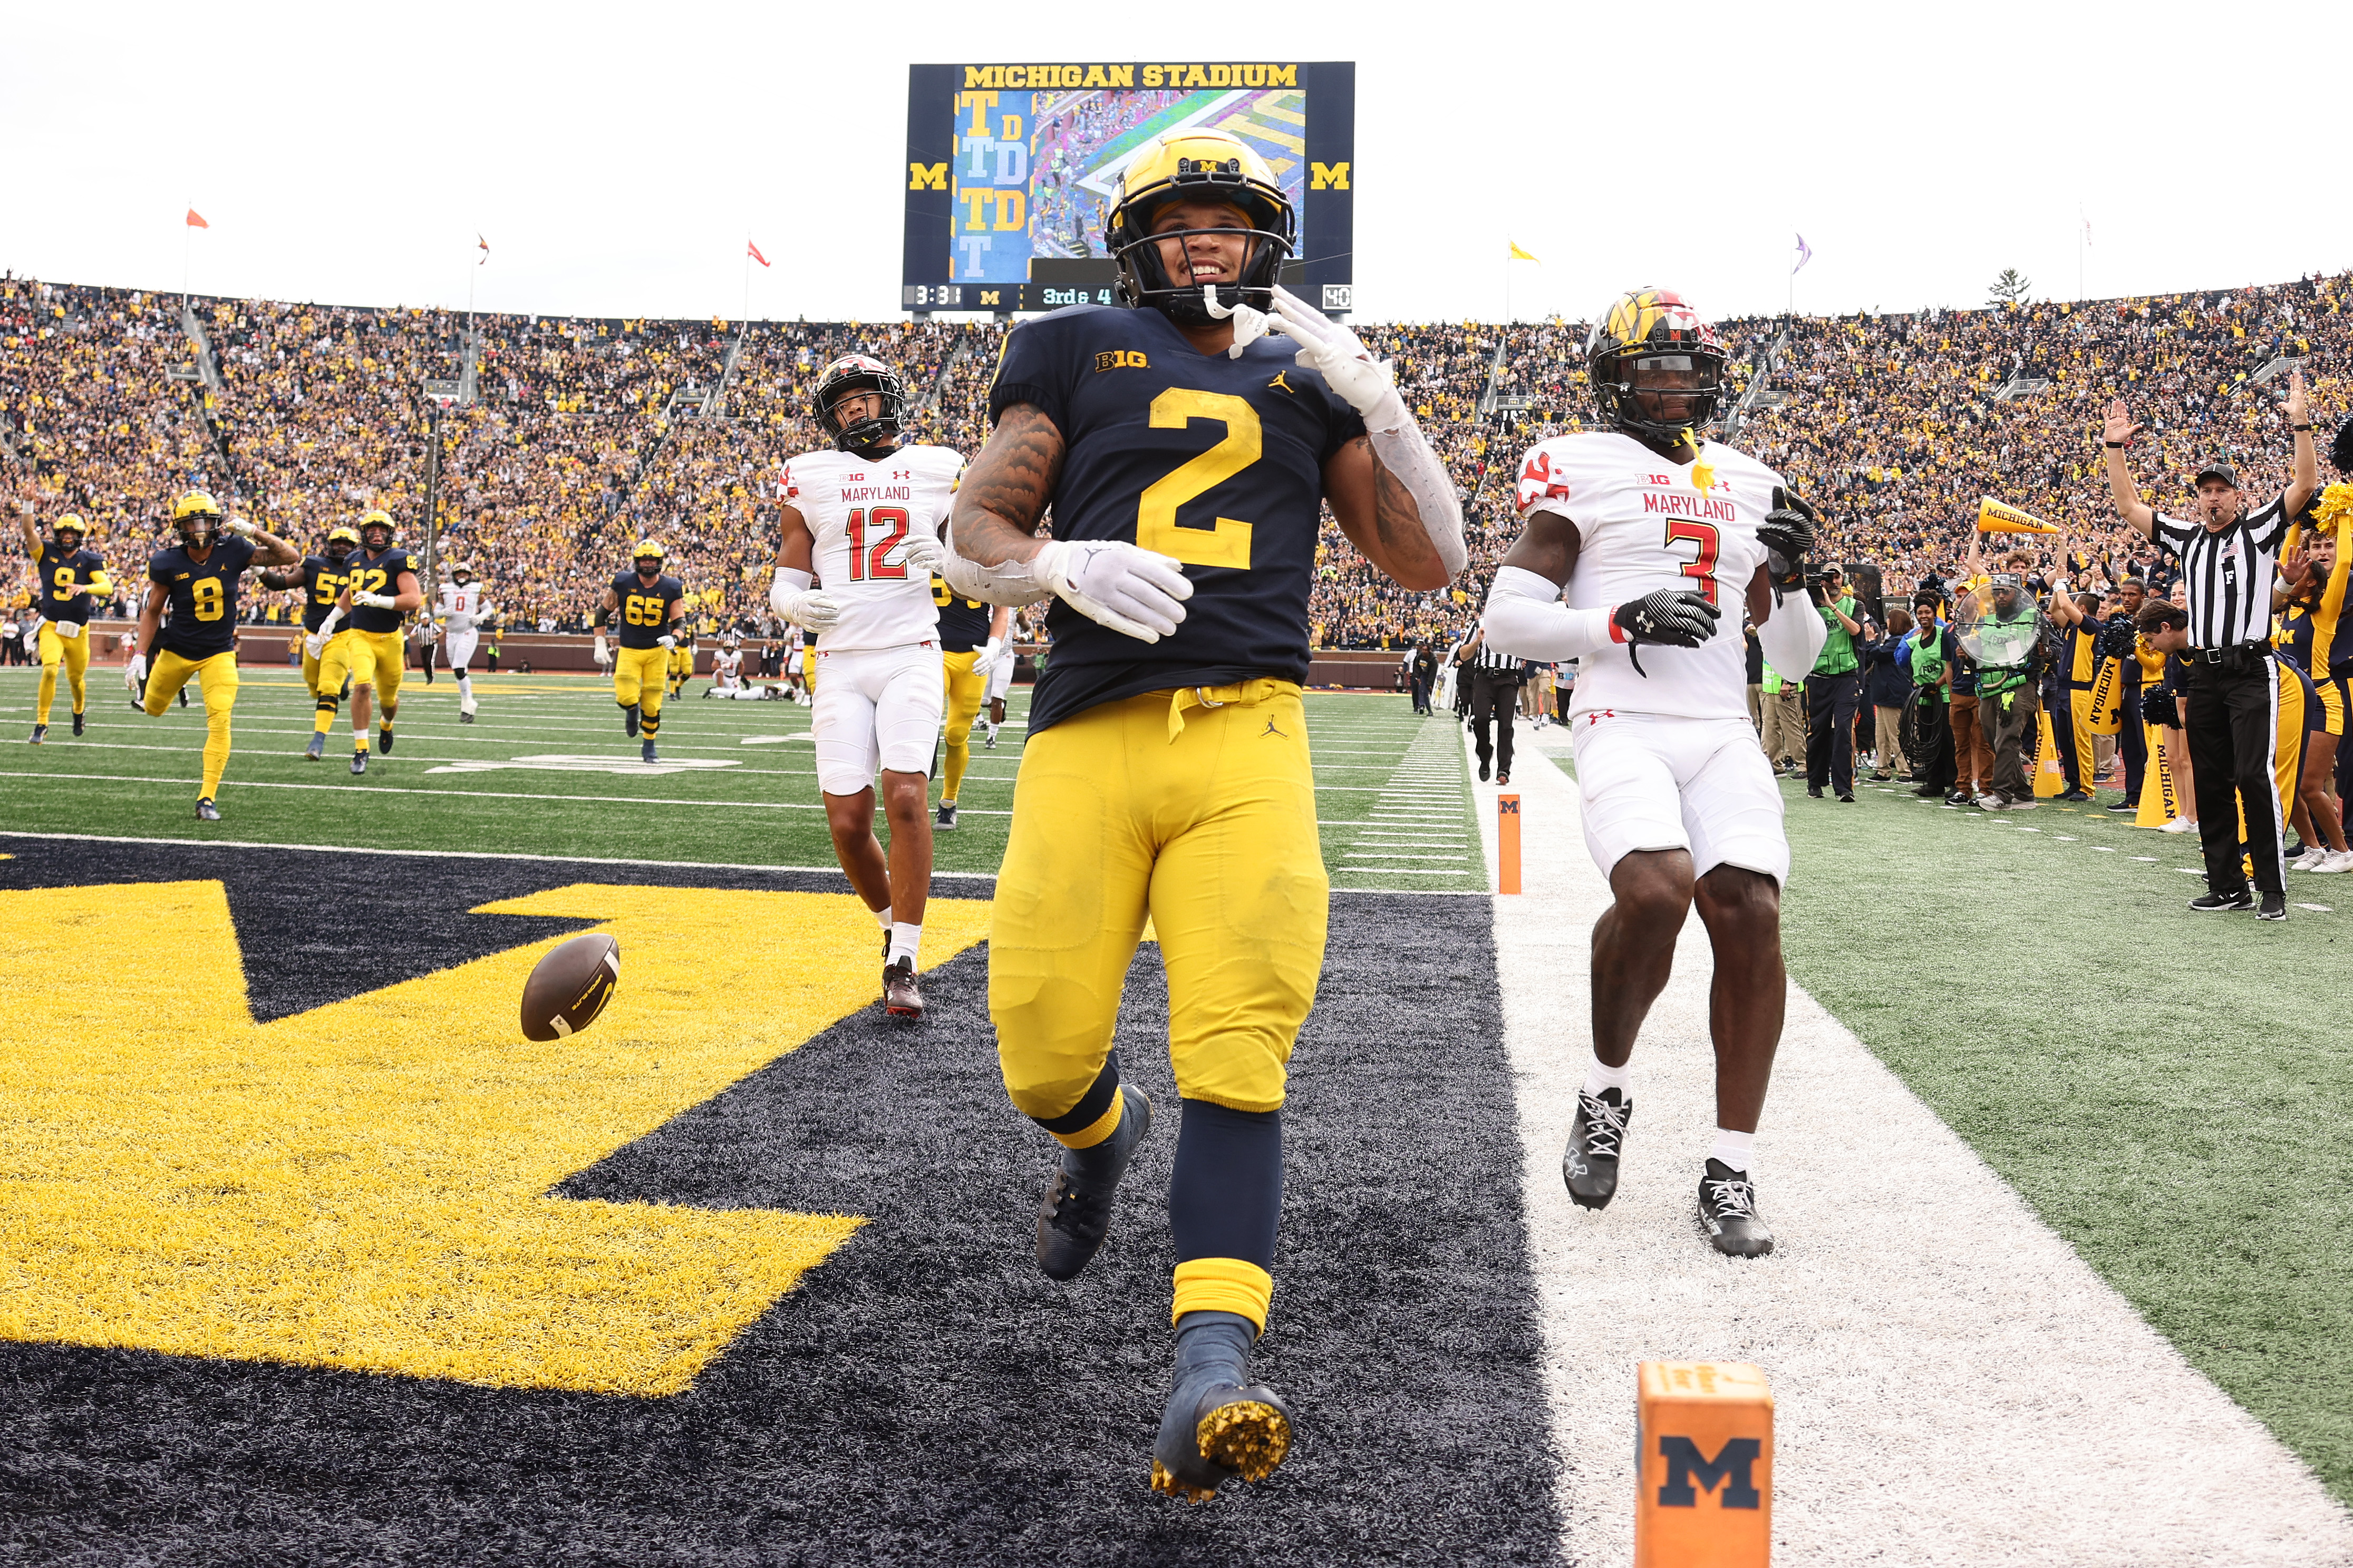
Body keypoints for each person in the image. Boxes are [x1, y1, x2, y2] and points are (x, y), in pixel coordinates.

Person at [936, 128, 1464, 1503]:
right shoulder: (1068, 346)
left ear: (1266, 238)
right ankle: (1096, 1143)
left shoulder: (1308, 367)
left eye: (1227, 221)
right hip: (1087, 736)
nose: (1205, 241)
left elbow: (1422, 561)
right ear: (1135, 240)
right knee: (1041, 1058)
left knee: (1238, 1046)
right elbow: (973, 524)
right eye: (1178, 221)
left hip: (1247, 734)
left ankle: (1211, 1361)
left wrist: (1384, 407)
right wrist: (1053, 561)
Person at [1482, 285, 1829, 1267]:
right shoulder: (1580, 466)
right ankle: (1603, 1088)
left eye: (1689, 372)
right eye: (1654, 370)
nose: (1674, 389)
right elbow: (1503, 621)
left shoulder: (1752, 481)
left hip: (1719, 722)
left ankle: (1729, 1166)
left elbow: (1795, 661)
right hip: (1621, 713)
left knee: (1750, 909)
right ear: (1613, 380)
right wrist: (1616, 622)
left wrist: (1796, 582)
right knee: (1655, 887)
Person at [769, 352, 959, 1019]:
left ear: (890, 400)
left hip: (911, 648)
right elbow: (788, 576)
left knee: (904, 793)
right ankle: (889, 927)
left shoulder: (941, 466)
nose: (853, 409)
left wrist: (953, 561)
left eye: (861, 398)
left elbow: (978, 558)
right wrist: (791, 605)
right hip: (841, 660)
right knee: (848, 823)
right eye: (841, 403)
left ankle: (904, 958)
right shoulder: (809, 475)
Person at [2104, 372, 2317, 918]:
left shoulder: (2262, 528)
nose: (2211, 497)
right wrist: (2113, 449)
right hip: (2202, 673)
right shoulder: (2185, 537)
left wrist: (2299, 423)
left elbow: (2303, 485)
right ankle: (2227, 884)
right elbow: (2129, 506)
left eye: (2220, 489)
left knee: (2252, 774)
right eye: (2204, 490)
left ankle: (2270, 885)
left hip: (2250, 669)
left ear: (2236, 496)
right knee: (2213, 778)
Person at [137, 491, 299, 819]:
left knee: (221, 719)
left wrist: (254, 531)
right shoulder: (167, 561)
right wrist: (140, 654)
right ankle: (169, 688)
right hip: (177, 651)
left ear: (216, 523)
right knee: (153, 708)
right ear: (180, 527)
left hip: (219, 652)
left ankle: (206, 799)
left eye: (203, 521)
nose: (198, 529)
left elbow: (288, 556)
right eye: (191, 523)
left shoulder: (235, 549)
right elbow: (153, 610)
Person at [311, 509, 423, 775]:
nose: (377, 534)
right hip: (359, 634)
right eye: (372, 530)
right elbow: (350, 591)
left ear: (390, 534)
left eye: (382, 530)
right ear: (363, 534)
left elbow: (413, 599)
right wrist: (332, 617)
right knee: (362, 686)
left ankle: (386, 724)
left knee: (388, 699)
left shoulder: (399, 559)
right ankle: (362, 749)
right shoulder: (354, 559)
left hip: (390, 639)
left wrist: (380, 601)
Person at [2272, 507, 2352, 870]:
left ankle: (2341, 850)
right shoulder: (2284, 611)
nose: (2294, 570)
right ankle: (2312, 847)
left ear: (2312, 581)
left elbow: (2345, 556)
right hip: (2292, 701)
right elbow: (2285, 559)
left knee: (2309, 784)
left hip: (2323, 700)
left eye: (2302, 571)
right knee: (2286, 782)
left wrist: (2344, 513)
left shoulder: (2325, 610)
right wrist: (2297, 522)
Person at [260, 524, 357, 757]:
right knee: (312, 685)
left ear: (355, 548)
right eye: (338, 543)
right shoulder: (314, 564)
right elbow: (281, 583)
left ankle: (318, 741)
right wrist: (260, 572)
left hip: (342, 635)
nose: (342, 547)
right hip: (312, 634)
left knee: (328, 688)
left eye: (347, 544)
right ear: (330, 545)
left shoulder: (360, 569)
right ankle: (342, 680)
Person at [16, 508, 110, 744]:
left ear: (80, 535)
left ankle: (78, 711)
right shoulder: (45, 553)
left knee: (76, 681)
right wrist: (28, 503)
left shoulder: (90, 560)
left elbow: (107, 587)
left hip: (79, 630)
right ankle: (42, 723)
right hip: (51, 626)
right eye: (64, 533)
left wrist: (85, 588)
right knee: (49, 669)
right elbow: (28, 531)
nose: (68, 537)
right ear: (57, 534)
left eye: (72, 533)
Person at [933, 573, 1011, 830]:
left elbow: (1001, 611)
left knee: (956, 735)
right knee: (926, 714)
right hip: (932, 651)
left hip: (974, 658)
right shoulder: (926, 547)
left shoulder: (985, 555)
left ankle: (948, 801)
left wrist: (994, 645)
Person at [598, 539, 685, 765]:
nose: (647, 565)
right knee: (626, 696)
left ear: (659, 562)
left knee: (653, 702)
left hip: (657, 651)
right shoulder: (624, 582)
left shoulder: (671, 587)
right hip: (629, 649)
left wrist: (674, 637)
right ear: (637, 562)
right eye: (644, 560)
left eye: (651, 560)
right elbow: (601, 613)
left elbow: (681, 622)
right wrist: (599, 641)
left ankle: (649, 746)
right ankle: (630, 710)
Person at [1802, 565, 1864, 801]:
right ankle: (1815, 782)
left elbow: (1856, 630)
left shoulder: (1854, 605)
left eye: (1837, 576)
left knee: (1844, 732)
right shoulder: (1811, 607)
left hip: (1846, 678)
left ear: (1843, 579)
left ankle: (1844, 787)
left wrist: (1832, 606)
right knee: (1818, 732)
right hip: (1819, 679)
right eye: (1829, 577)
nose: (1833, 581)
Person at [1903, 591, 1958, 798]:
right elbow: (1911, 667)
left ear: (1935, 614)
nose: (1924, 616)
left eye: (1928, 612)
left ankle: (1954, 782)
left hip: (1942, 698)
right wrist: (1917, 684)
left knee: (1947, 741)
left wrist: (1937, 685)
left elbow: (1949, 666)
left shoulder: (1944, 636)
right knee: (1927, 742)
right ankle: (1934, 783)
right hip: (1924, 699)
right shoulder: (1914, 640)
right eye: (1920, 613)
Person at [1458, 628, 1523, 783]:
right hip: (1484, 677)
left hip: (1508, 678)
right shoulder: (1480, 624)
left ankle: (1504, 769)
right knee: (1480, 719)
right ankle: (1485, 755)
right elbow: (1464, 654)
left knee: (1506, 725)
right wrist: (1478, 641)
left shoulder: (1518, 623)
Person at [435, 562, 493, 723]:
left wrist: (480, 618)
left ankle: (468, 703)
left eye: (465, 574)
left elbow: (488, 609)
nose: (462, 576)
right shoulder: (445, 589)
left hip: (467, 632)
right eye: (459, 573)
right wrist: (441, 612)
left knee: (459, 668)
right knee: (458, 671)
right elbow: (435, 612)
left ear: (470, 575)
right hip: (451, 634)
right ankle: (467, 705)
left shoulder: (476, 588)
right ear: (454, 575)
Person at [1860, 603, 1912, 781]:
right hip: (1884, 693)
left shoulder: (1899, 641)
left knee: (1895, 734)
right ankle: (1883, 769)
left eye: (1890, 620)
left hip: (1893, 692)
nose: (1887, 623)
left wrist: (1869, 641)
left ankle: (1905, 770)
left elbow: (1878, 654)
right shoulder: (1893, 640)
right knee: (1881, 735)